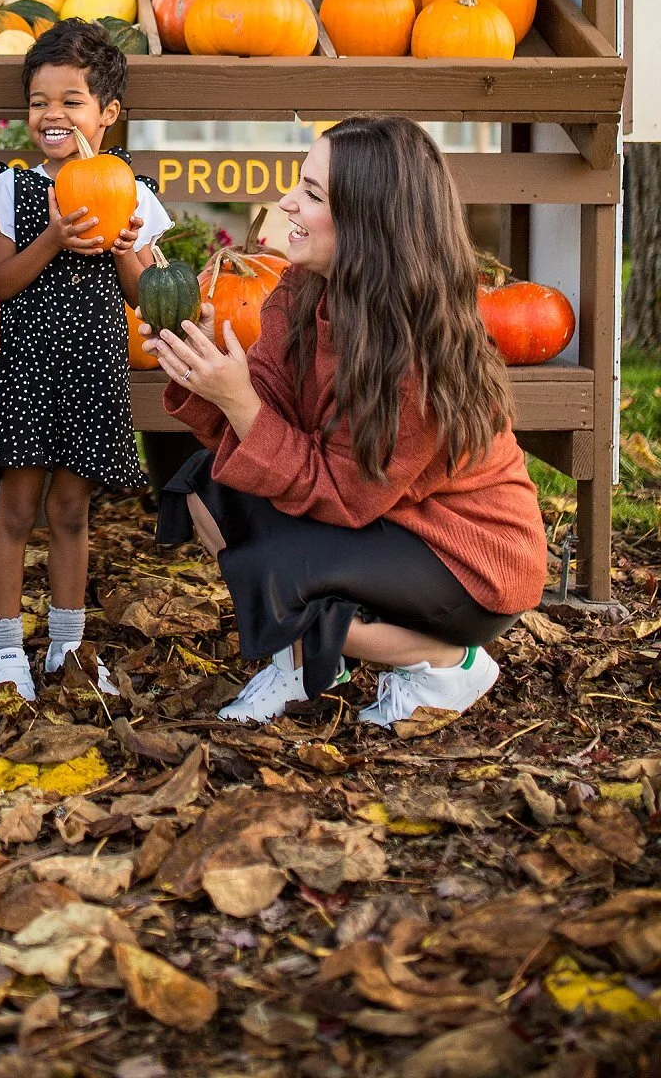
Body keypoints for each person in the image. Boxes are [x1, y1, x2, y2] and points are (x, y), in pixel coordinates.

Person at [147, 114, 548, 728]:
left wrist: (238, 401)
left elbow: (340, 493)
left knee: (276, 571)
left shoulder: (417, 357)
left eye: (311, 194)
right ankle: (309, 663)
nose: (285, 203)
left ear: (368, 220)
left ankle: (451, 663)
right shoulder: (301, 291)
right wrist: (205, 372)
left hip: (467, 559)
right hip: (381, 517)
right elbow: (271, 421)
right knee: (209, 486)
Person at [0, 19, 171, 700]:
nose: (52, 115)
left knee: (70, 513)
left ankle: (68, 645)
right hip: (29, 369)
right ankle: (3, 651)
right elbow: (1, 283)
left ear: (108, 114)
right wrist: (55, 238)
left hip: (92, 370)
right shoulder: (17, 189)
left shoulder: (130, 190)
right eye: (38, 101)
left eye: (71, 101)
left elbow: (146, 294)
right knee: (15, 508)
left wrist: (123, 242)